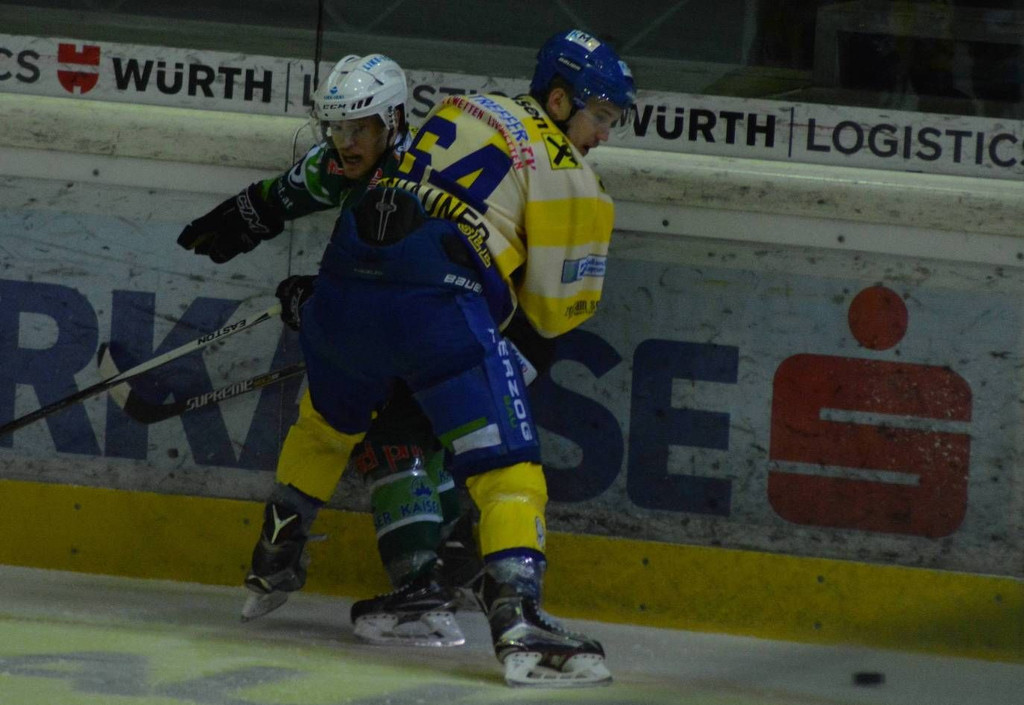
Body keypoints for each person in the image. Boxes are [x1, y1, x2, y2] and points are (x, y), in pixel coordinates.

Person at [263, 28, 635, 687]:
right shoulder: (572, 177)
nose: (604, 134)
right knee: (507, 464)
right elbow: (553, 313)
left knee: (340, 425)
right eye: (601, 116)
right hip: (441, 305)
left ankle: (283, 554)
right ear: (558, 100)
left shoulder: (464, 107)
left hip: (346, 279)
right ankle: (515, 612)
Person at [175, 53, 479, 644]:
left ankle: (424, 579)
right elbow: (289, 191)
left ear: (394, 122)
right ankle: (439, 568)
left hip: (440, 321)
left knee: (399, 442)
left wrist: (324, 297)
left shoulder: (426, 179)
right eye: (336, 127)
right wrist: (249, 214)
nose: (345, 142)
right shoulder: (343, 161)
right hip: (381, 319)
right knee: (357, 430)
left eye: (359, 128)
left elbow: (423, 268)